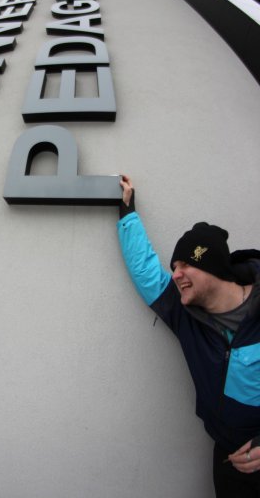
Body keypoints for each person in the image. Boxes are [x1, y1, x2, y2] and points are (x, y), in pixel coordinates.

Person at [117, 175, 260, 498]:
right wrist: (127, 212)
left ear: (214, 267)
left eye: (185, 265)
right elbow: (146, 272)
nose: (176, 274)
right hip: (229, 459)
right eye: (174, 266)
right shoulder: (185, 315)